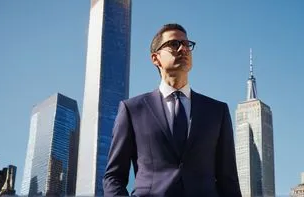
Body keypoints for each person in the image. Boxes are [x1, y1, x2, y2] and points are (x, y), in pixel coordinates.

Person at [103, 23, 242, 197]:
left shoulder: (217, 111)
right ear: (156, 58)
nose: (183, 49)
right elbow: (114, 177)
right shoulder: (132, 110)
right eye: (174, 44)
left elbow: (228, 179)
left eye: (187, 44)